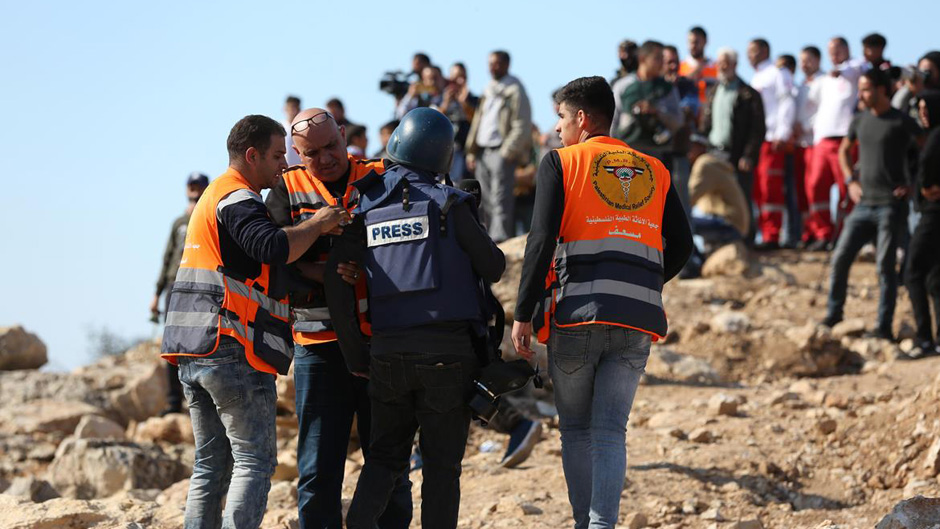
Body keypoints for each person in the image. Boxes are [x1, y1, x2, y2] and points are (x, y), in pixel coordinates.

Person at [512, 76, 692, 529]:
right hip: (637, 317)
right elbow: (684, 244)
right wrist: (647, 281)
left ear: (581, 118)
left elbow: (540, 240)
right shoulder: (654, 168)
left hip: (576, 315)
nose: (556, 128)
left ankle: (584, 524)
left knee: (576, 428)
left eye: (560, 117)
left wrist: (522, 313)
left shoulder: (561, 162)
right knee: (611, 431)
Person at [161, 114, 352, 529]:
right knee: (254, 460)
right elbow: (271, 247)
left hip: (193, 347)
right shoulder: (237, 197)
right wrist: (318, 223)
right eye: (278, 155)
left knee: (211, 463)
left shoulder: (213, 197)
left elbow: (255, 265)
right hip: (230, 345)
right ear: (252, 155)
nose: (285, 164)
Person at [346, 108, 506, 529]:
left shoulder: (367, 203)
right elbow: (493, 267)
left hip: (387, 352)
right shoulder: (450, 203)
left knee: (383, 458)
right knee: (441, 468)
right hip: (447, 354)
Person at [264, 108, 413, 529]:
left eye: (331, 146)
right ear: (297, 154)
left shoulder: (382, 176)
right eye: (312, 153)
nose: (326, 158)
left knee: (390, 462)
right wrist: (325, 272)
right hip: (319, 347)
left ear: (344, 134)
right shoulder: (287, 188)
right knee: (317, 468)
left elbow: (410, 247)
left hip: (381, 342)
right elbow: (272, 259)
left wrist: (365, 269)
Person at [822, 70, 923, 339]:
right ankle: (833, 314)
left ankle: (883, 327)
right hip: (863, 204)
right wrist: (849, 181)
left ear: (881, 90)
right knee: (841, 257)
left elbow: (926, 149)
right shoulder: (860, 120)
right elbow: (844, 150)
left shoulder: (901, 122)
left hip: (890, 205)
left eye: (866, 89)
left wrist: (913, 183)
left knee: (885, 267)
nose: (861, 94)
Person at [151, 172, 209, 416]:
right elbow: (167, 257)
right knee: (172, 344)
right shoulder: (178, 223)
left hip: (200, 284)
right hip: (175, 285)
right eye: (191, 185)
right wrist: (156, 294)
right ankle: (173, 401)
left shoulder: (210, 215)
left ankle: (200, 396)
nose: (194, 189)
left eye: (199, 185)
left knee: (199, 342)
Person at [699, 47, 766, 242]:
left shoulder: (748, 94)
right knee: (714, 198)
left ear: (735, 65)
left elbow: (757, 129)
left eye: (726, 62)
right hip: (714, 153)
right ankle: (718, 241)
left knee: (742, 198)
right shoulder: (714, 91)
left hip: (737, 156)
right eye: (719, 62)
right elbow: (706, 124)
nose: (722, 66)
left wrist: (749, 155)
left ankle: (746, 241)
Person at [465, 50, 533, 242]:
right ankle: (487, 239)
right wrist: (472, 152)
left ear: (506, 64)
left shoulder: (514, 89)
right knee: (484, 199)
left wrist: (508, 151)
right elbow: (479, 121)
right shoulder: (489, 89)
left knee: (500, 198)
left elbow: (522, 123)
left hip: (501, 150)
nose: (492, 67)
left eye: (497, 63)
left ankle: (500, 239)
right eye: (490, 63)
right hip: (483, 150)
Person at [808, 37, 868, 243]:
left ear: (847, 48)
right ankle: (823, 233)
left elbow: (855, 69)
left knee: (846, 188)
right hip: (823, 139)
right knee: (816, 185)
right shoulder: (826, 79)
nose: (834, 54)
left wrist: (841, 70)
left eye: (837, 49)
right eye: (830, 51)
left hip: (845, 138)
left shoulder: (856, 68)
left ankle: (846, 235)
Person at [748, 38, 796, 249]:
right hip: (758, 141)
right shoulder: (756, 77)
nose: (750, 55)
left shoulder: (778, 73)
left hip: (772, 140)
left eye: (753, 51)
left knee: (770, 188)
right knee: (758, 189)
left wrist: (782, 133)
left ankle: (773, 234)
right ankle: (763, 233)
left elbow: (787, 101)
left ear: (765, 51)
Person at [905, 90, 940, 358]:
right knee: (935, 277)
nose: (923, 114)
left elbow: (926, 164)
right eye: (921, 109)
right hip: (930, 211)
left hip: (933, 213)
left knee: (913, 272)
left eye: (927, 109)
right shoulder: (929, 135)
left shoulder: (936, 136)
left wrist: (927, 185)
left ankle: (924, 338)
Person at [611, 40, 683, 169]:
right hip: (627, 152)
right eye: (657, 58)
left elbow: (678, 122)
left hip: (659, 154)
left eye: (662, 58)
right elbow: (613, 121)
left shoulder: (667, 88)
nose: (662, 63)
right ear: (643, 58)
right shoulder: (623, 86)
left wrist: (657, 112)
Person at [795, 46, 830, 250]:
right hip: (799, 144)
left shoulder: (824, 82)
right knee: (802, 192)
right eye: (802, 60)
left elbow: (825, 111)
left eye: (808, 60)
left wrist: (806, 127)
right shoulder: (801, 85)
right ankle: (808, 231)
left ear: (818, 60)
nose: (804, 64)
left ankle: (823, 231)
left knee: (815, 187)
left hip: (815, 142)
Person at [439, 62, 479, 181]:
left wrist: (464, 103)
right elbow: (434, 119)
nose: (460, 81)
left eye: (463, 77)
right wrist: (446, 104)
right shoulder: (441, 98)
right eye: (456, 78)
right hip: (443, 150)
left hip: (464, 152)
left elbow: (477, 122)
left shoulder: (474, 100)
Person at [678, 26, 717, 103]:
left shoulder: (715, 67)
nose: (693, 46)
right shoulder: (680, 67)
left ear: (705, 42)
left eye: (696, 42)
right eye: (690, 42)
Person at [285, 95, 302, 166]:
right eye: (291, 107)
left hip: (299, 167)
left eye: (296, 107)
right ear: (285, 108)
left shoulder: (303, 128)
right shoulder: (279, 127)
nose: (294, 111)